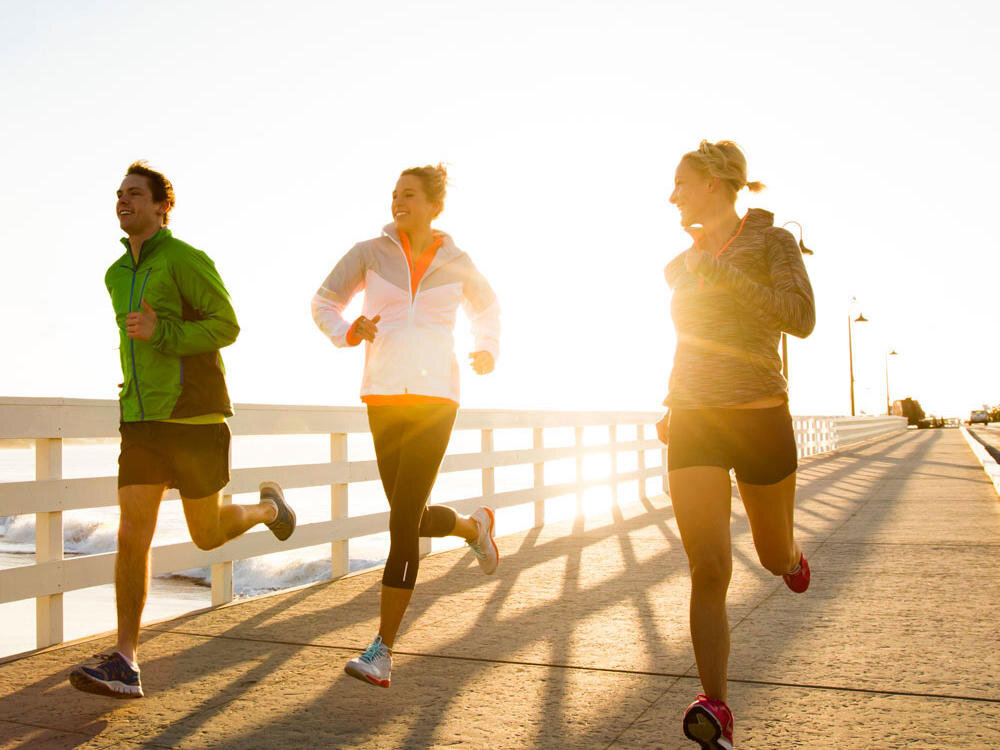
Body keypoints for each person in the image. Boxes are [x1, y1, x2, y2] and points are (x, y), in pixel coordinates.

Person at [69, 162, 296, 699]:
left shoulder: (186, 260)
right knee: (132, 534)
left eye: (134, 194)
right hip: (142, 422)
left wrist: (161, 330)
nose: (123, 201)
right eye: (119, 195)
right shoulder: (115, 274)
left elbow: (226, 325)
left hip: (194, 419)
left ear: (161, 206)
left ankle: (269, 509)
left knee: (206, 533)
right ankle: (126, 659)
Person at [311, 163, 500, 688]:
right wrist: (349, 330)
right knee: (406, 513)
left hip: (436, 398)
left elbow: (488, 310)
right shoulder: (368, 253)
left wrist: (486, 349)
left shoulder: (458, 261)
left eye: (409, 195)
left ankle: (381, 649)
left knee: (401, 522)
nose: (398, 202)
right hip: (382, 395)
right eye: (394, 195)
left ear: (434, 204)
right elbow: (323, 301)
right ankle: (471, 527)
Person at [658, 141, 815, 749]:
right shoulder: (679, 264)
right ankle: (715, 705)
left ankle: (791, 560)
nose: (672, 196)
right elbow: (689, 341)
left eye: (681, 183)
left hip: (759, 416)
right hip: (695, 420)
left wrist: (722, 274)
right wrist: (672, 402)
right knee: (709, 568)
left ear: (717, 185)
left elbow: (799, 318)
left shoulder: (773, 244)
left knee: (771, 555)